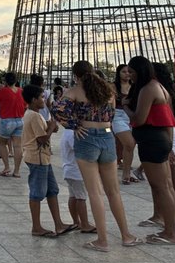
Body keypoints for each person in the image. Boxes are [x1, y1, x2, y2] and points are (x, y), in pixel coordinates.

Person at [53, 60, 140, 252]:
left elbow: (57, 110)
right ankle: (126, 235)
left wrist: (75, 125)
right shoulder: (108, 90)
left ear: (76, 75)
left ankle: (102, 240)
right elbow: (111, 114)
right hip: (107, 137)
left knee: (95, 192)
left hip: (87, 139)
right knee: (113, 191)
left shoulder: (76, 91)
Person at [124, 56, 175, 246]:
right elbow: (169, 119)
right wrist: (171, 146)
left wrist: (126, 108)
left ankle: (170, 233)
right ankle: (168, 229)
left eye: (131, 72)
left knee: (161, 187)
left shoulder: (147, 89)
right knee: (166, 186)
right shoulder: (160, 87)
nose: (129, 75)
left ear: (140, 70)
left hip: (151, 140)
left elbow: (139, 119)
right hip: (160, 139)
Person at [22, 85, 76, 238]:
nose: (43, 100)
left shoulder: (34, 115)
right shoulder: (33, 116)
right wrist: (51, 127)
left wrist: (50, 126)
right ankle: (36, 226)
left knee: (52, 190)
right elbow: (41, 139)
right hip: (37, 158)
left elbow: (44, 130)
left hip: (43, 158)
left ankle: (58, 223)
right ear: (33, 100)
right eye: (41, 97)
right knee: (37, 192)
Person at [60, 125, 95, 233]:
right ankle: (84, 224)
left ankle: (77, 222)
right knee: (81, 197)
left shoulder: (66, 132)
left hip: (69, 170)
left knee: (73, 196)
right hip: (76, 171)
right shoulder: (72, 133)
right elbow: (79, 149)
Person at [0, 72, 25, 177]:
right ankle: (17, 171)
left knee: (2, 143)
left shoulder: (3, 91)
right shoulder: (21, 91)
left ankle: (7, 167)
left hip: (7, 120)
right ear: (16, 81)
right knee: (18, 146)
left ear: (5, 81)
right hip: (19, 120)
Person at [111, 65, 137, 184]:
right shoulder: (113, 86)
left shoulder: (135, 86)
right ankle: (126, 173)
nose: (127, 74)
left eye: (129, 72)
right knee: (129, 143)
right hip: (118, 115)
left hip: (131, 115)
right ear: (118, 73)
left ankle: (127, 171)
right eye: (124, 72)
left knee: (130, 146)